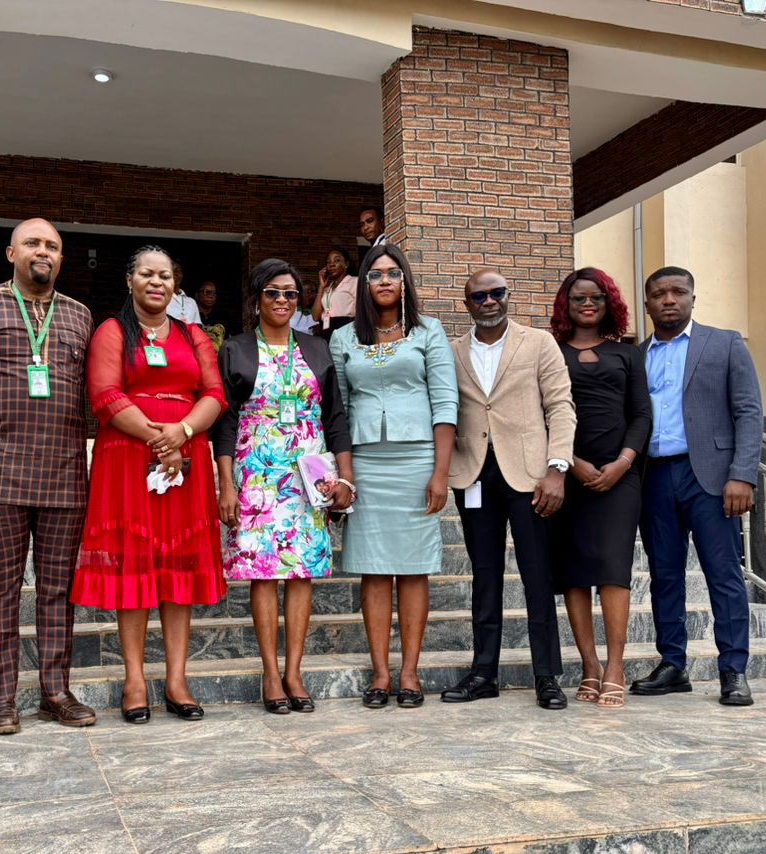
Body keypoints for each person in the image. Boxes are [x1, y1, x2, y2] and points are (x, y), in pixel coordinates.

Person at [0, 218, 99, 733]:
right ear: (10, 252)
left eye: (52, 246)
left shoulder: (79, 314)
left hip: (64, 473)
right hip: (1, 470)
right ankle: (2, 700)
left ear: (61, 258)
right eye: (32, 243)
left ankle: (55, 693)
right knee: (1, 590)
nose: (43, 252)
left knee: (58, 590)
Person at [72, 246, 228, 722]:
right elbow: (105, 395)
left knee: (179, 571)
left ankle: (177, 680)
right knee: (134, 570)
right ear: (130, 280)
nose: (156, 282)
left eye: (164, 275)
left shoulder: (193, 334)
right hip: (128, 459)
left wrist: (182, 431)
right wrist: (161, 440)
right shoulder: (112, 331)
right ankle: (135, 679)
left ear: (174, 285)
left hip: (186, 458)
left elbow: (214, 393)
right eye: (146, 274)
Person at [215, 259, 354, 714]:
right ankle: (271, 674)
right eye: (272, 292)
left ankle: (294, 672)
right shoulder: (235, 348)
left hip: (307, 475)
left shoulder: (316, 348)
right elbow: (225, 421)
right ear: (257, 298)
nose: (281, 300)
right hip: (255, 473)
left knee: (301, 572)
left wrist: (345, 478)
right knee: (264, 572)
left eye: (290, 294)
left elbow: (335, 417)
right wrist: (226, 485)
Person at [330, 244, 457, 708]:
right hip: (365, 463)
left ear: (405, 282)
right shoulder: (344, 338)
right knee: (374, 568)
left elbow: (445, 402)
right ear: (364, 284)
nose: (384, 280)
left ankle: (410, 672)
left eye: (392, 273)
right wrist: (345, 474)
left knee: (414, 567)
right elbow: (338, 411)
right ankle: (381, 673)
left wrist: (440, 472)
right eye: (375, 274)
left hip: (417, 461)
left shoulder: (429, 331)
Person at [444, 268, 576, 710]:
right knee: (484, 575)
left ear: (508, 295)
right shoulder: (451, 351)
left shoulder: (538, 343)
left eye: (497, 293)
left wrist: (557, 468)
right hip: (473, 474)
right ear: (467, 305)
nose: (489, 301)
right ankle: (484, 672)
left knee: (537, 574)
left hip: (530, 477)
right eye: (479, 296)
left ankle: (547, 676)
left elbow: (561, 406)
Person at [633, 266, 763, 706]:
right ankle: (673, 664)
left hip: (711, 477)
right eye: (659, 294)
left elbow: (749, 411)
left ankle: (733, 669)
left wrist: (742, 474)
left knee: (723, 575)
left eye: (678, 292)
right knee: (664, 575)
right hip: (654, 477)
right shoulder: (637, 355)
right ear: (647, 303)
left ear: (693, 298)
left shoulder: (725, 343)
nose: (669, 300)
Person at [548, 268, 652, 709]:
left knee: (613, 568)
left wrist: (623, 463)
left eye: (597, 297)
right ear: (566, 305)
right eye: (579, 298)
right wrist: (572, 463)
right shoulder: (550, 352)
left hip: (619, 478)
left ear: (609, 303)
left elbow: (641, 414)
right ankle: (589, 665)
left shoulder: (627, 354)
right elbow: (543, 413)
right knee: (573, 572)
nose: (588, 304)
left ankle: (615, 667)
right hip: (566, 474)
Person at [312, 246, 357, 339]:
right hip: (326, 330)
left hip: (346, 329)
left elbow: (361, 312)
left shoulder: (355, 282)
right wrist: (321, 286)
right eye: (328, 262)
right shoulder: (327, 288)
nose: (331, 264)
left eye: (337, 260)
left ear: (346, 264)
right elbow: (315, 316)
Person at [166, 261, 202, 325]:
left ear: (182, 275)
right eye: (171, 271)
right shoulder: (161, 299)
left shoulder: (191, 302)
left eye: (178, 270)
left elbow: (198, 325)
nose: (175, 273)